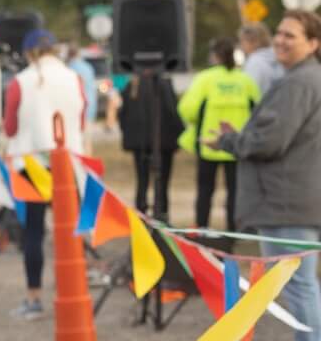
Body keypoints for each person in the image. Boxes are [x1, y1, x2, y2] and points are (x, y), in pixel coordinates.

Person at [212, 10, 321, 341]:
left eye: (291, 35)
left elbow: (269, 141)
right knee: (303, 285)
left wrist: (230, 141)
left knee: (299, 286)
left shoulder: (299, 82)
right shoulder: (303, 79)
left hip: (286, 200)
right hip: (293, 198)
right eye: (278, 33)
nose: (280, 40)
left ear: (313, 43)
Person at [3, 30, 88, 321]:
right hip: (68, 163)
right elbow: (82, 120)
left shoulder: (20, 82)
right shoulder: (74, 78)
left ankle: (34, 297)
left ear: (29, 54)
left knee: (33, 233)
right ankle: (75, 292)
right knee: (73, 232)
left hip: (33, 164)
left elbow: (10, 128)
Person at [178, 38, 260, 234]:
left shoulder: (205, 79)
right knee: (235, 192)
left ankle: (202, 228)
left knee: (205, 190)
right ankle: (233, 230)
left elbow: (187, 109)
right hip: (237, 146)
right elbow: (258, 110)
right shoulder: (245, 80)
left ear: (214, 56)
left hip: (209, 144)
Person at [113, 65, 181, 222]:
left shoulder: (133, 85)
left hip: (142, 143)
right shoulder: (163, 84)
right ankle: (162, 215)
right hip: (163, 143)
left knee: (142, 181)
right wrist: (177, 135)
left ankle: (142, 216)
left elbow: (122, 115)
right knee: (162, 183)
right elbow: (173, 112)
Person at [240, 21, 284, 97]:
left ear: (253, 42)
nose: (241, 46)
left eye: (242, 41)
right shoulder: (281, 58)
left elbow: (248, 93)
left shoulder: (254, 62)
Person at [65, 43, 101, 132]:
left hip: (75, 112)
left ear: (68, 54)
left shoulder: (68, 68)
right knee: (87, 138)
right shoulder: (88, 67)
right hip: (90, 108)